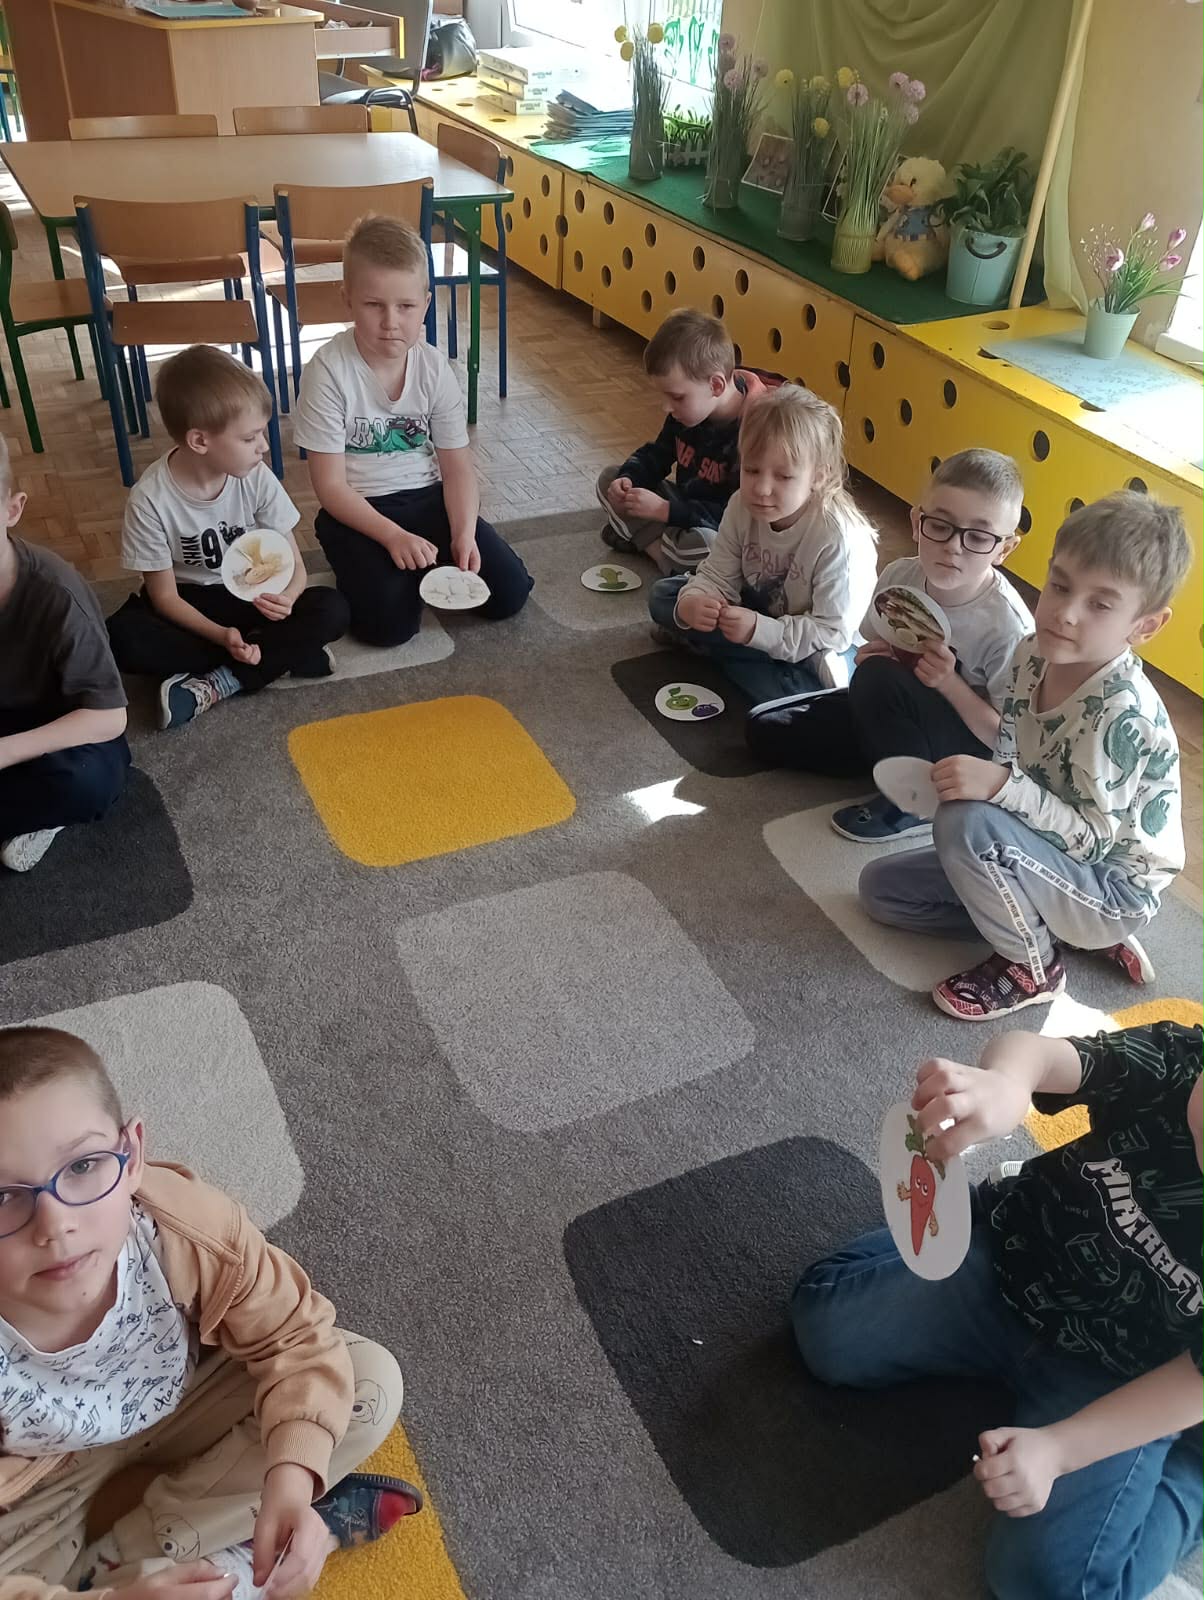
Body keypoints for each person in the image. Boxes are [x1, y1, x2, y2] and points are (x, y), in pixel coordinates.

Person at [0, 1025, 419, 1600]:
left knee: (368, 1382)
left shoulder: (183, 1226)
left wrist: (292, 1478)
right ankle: (210, 1558)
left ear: (132, 1155)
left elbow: (295, 1335)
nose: (56, 1225)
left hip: (186, 1397)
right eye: (4, 1197)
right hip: (39, 1480)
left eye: (82, 1166)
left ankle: (132, 1553)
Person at [794, 1021, 1204, 1600]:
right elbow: (1039, 1053)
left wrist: (1061, 1449)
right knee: (827, 1327)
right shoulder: (1180, 1060)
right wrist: (1007, 1084)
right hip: (1014, 1255)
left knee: (1055, 1585)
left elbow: (1194, 1381)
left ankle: (1192, 1481)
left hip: (1120, 1378)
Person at [858, 491, 1191, 1019]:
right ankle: (1051, 926)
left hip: (1109, 888)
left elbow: (1090, 844)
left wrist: (999, 789)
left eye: (1100, 604)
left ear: (1145, 625)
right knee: (882, 891)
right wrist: (993, 783)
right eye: (1060, 585)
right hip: (1044, 850)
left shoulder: (1120, 715)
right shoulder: (1031, 653)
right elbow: (1010, 746)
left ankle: (1033, 967)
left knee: (967, 822)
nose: (1065, 613)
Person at [747, 449, 1033, 841]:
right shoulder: (901, 576)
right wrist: (872, 657)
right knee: (764, 729)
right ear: (917, 523)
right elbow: (872, 645)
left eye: (979, 537)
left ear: (1004, 549)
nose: (954, 546)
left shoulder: (1008, 628)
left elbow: (1007, 742)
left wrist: (949, 683)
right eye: (940, 525)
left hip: (964, 753)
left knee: (878, 678)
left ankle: (917, 804)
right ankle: (887, 761)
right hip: (896, 718)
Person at [293, 214, 532, 647]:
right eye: (374, 305)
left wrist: (463, 533)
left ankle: (413, 564)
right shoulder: (327, 372)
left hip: (426, 499)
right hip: (357, 511)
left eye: (405, 307)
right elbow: (330, 488)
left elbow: (457, 470)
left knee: (509, 594)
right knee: (389, 628)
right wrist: (392, 537)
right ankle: (378, 568)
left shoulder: (434, 369)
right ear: (347, 300)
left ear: (425, 303)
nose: (391, 322)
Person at [106, 347, 348, 732]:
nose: (264, 446)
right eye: (250, 438)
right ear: (200, 441)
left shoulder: (256, 476)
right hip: (190, 604)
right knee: (121, 638)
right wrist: (222, 637)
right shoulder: (149, 499)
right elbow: (165, 597)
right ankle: (279, 655)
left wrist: (289, 597)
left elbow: (294, 567)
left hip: (253, 596)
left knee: (332, 608)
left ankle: (220, 681)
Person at [646, 383, 877, 705]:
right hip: (756, 612)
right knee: (665, 596)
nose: (762, 489)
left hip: (817, 643)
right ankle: (736, 655)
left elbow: (832, 632)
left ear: (819, 477)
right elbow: (717, 575)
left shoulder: (840, 538)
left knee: (814, 689)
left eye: (783, 477)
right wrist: (696, 601)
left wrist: (758, 631)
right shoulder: (741, 504)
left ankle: (725, 654)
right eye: (751, 470)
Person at [0, 438, 129, 874]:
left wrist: (6, 751)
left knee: (90, 780)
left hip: (61, 730)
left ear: (12, 510)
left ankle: (39, 812)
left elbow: (109, 717)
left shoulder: (58, 593)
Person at [596, 307, 766, 576]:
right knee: (608, 479)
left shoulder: (755, 430)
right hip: (682, 509)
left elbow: (736, 517)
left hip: (719, 527)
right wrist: (628, 478)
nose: (667, 407)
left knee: (709, 545)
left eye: (676, 397)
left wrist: (665, 511)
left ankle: (647, 542)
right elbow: (657, 455)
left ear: (716, 386)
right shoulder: (686, 414)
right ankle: (663, 554)